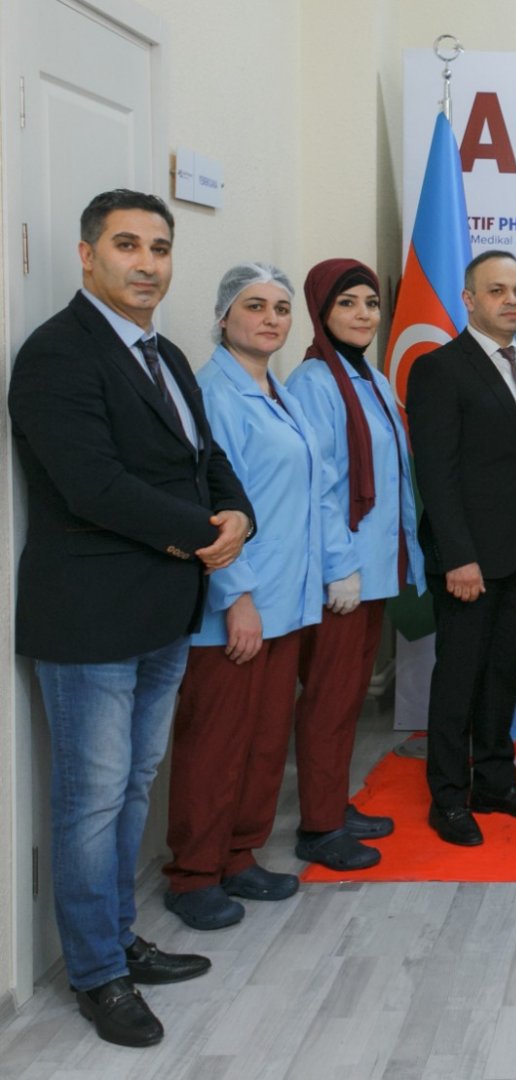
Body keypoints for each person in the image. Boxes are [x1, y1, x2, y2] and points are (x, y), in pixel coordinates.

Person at [9, 189, 253, 1047]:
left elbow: (204, 459)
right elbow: (93, 487)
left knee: (132, 788)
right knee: (90, 802)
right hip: (90, 616)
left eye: (159, 247)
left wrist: (238, 513)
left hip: (162, 610)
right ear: (87, 255)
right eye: (126, 245)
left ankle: (117, 939)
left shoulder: (166, 353)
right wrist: (205, 535)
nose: (147, 263)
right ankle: (96, 974)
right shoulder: (56, 354)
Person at [163, 263, 345, 929]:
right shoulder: (214, 394)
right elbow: (213, 506)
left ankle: (239, 855)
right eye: (254, 306)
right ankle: (193, 875)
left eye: (280, 308)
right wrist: (236, 597)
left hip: (286, 602)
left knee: (266, 742)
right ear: (223, 316)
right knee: (216, 743)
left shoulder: (279, 391)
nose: (270, 318)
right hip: (237, 607)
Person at [407, 250, 516, 846]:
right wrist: (458, 556)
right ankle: (448, 797)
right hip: (469, 559)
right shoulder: (439, 368)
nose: (511, 301)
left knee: (503, 675)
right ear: (469, 300)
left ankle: (496, 783)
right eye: (497, 290)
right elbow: (436, 474)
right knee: (459, 681)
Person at [287, 259, 426, 871]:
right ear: (322, 311)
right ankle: (318, 828)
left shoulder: (368, 377)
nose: (364, 314)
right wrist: (337, 566)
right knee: (329, 698)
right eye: (348, 303)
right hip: (342, 575)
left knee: (345, 699)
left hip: (373, 570)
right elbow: (317, 485)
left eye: (371, 302)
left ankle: (333, 805)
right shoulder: (315, 382)